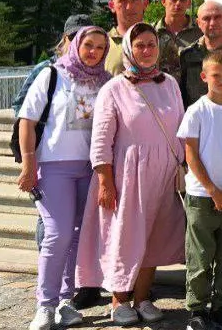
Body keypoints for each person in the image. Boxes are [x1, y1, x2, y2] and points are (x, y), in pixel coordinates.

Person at [76, 23, 185, 326]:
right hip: (128, 175)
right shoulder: (114, 88)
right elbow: (101, 140)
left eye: (151, 44)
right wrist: (105, 181)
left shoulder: (170, 84)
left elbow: (181, 128)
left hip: (163, 177)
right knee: (124, 237)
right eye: (140, 46)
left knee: (154, 238)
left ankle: (142, 297)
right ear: (128, 49)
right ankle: (118, 300)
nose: (147, 51)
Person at [16, 25, 111, 330]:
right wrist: (29, 165)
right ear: (75, 45)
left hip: (89, 168)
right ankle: (45, 306)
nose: (93, 51)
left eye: (99, 46)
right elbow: (27, 121)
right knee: (57, 234)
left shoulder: (105, 82)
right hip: (53, 166)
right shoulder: (53, 74)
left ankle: (66, 302)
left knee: (78, 237)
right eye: (88, 45)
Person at [179, 50, 222, 330]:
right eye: (216, 75)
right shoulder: (196, 110)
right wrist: (212, 189)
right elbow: (191, 154)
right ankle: (197, 309)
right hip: (201, 196)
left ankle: (221, 306)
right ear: (204, 76)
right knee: (200, 255)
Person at [176, 1, 222, 106]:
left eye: (217, 17)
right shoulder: (187, 55)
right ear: (198, 23)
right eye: (206, 18)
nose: (212, 23)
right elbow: (182, 96)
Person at [104, 0, 148, 76]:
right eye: (122, 1)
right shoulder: (102, 44)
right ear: (112, 6)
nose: (129, 7)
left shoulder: (159, 40)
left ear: (145, 3)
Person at [154, 0, 201, 67]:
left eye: (183, 0)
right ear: (164, 1)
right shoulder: (151, 31)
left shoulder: (200, 30)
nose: (178, 3)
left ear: (189, 3)